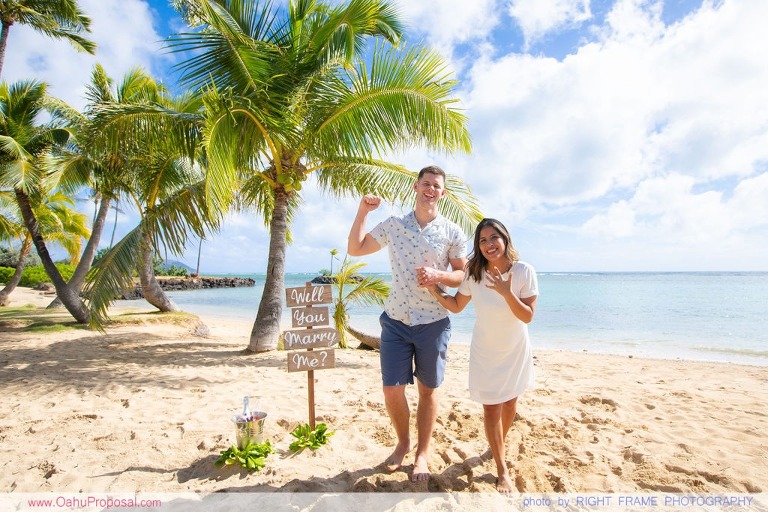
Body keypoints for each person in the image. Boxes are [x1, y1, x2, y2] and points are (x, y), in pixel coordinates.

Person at [347, 165, 468, 482]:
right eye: (426, 183)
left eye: (436, 186)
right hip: (396, 320)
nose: (430, 189)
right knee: (391, 389)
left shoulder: (452, 232)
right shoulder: (394, 225)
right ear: (416, 187)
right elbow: (355, 248)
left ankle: (422, 454)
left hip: (434, 321)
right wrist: (362, 211)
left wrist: (438, 276)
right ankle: (403, 443)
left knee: (428, 391)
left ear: (443, 193)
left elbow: (461, 275)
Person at [427, 218, 538, 494]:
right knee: (491, 407)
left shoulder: (524, 271)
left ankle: (496, 443)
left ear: (505, 239)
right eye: (483, 240)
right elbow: (455, 305)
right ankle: (502, 470)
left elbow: (527, 316)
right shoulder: (474, 274)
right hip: (485, 351)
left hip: (515, 349)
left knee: (510, 403)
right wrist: (434, 289)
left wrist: (506, 291)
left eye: (494, 238)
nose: (489, 244)